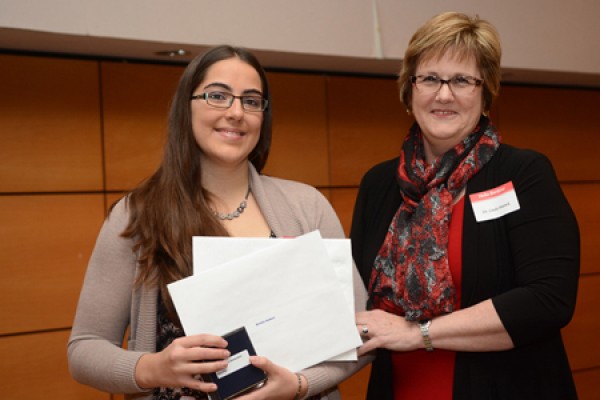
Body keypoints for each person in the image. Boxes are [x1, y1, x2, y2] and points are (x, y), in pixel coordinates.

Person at [68, 45, 370, 400]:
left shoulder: (307, 207)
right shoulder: (137, 215)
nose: (237, 112)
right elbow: (84, 349)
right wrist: (153, 368)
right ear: (186, 107)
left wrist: (299, 385)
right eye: (218, 96)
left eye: (252, 101)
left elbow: (360, 333)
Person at [351, 11, 580, 400]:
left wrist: (419, 334)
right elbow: (358, 302)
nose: (444, 94)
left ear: (485, 92)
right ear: (409, 90)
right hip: (400, 387)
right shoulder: (378, 183)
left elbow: (548, 300)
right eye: (430, 79)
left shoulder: (523, 173)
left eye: (461, 80)